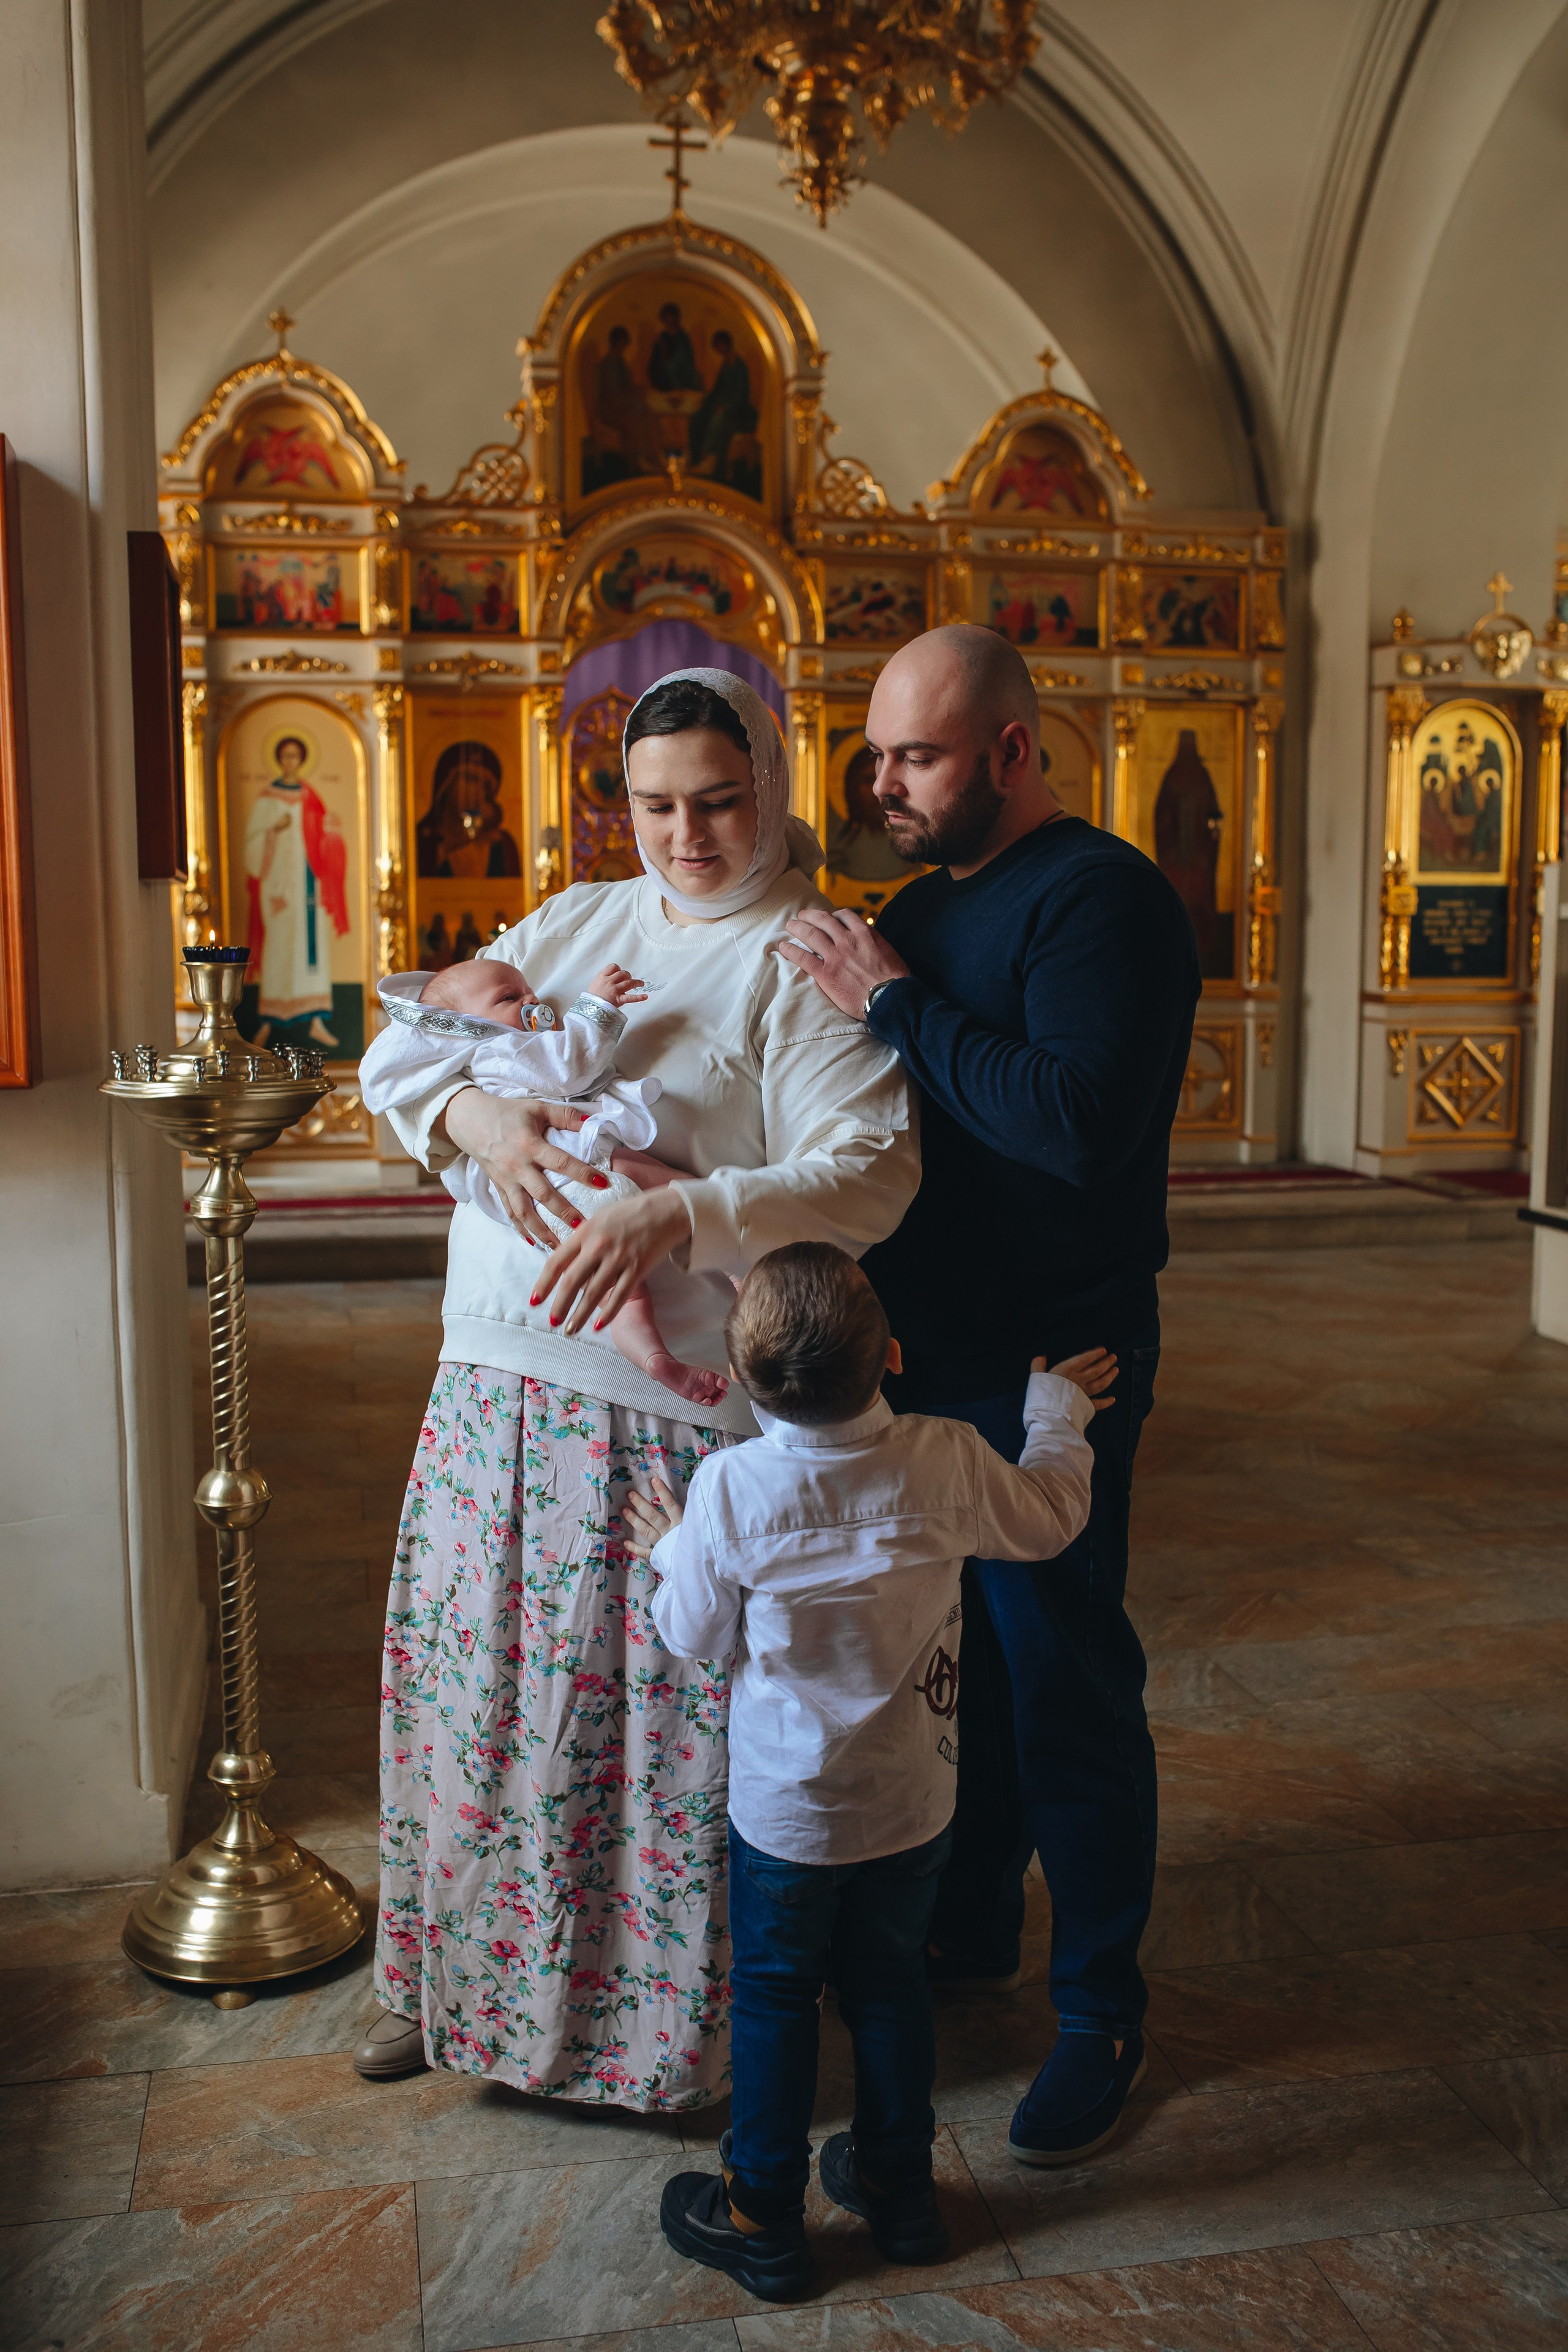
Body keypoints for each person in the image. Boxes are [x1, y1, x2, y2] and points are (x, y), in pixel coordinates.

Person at [352, 667, 918, 2107]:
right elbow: (396, 1052)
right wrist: (477, 1115)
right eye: (656, 803)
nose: (685, 835)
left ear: (775, 778)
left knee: (631, 1723)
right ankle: (449, 1986)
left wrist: (679, 1215)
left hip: (660, 1405)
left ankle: (641, 2040)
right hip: (492, 1375)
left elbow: (871, 1171)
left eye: (718, 801)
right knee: (477, 1694)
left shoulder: (806, 954)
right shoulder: (575, 919)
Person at [777, 623, 1200, 2169]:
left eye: (919, 756)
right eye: (878, 753)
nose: (881, 782)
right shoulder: (911, 903)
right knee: (955, 1660)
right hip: (925, 1347)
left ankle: (1098, 2008)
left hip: (1054, 1365)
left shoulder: (1104, 903)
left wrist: (891, 1003)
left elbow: (1074, 1127)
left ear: (1011, 751)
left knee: (1063, 1665)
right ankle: (969, 1925)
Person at [619, 1242, 1110, 2301]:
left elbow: (696, 1631)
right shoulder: (946, 1454)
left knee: (778, 2002)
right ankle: (901, 2192)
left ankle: (762, 2216)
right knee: (891, 1991)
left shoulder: (732, 1487)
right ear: (891, 1355)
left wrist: (671, 1549)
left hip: (787, 1820)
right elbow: (1050, 1517)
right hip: (912, 1804)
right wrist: (1056, 1413)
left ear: (748, 1383)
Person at [358, 956, 730, 1411]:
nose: (532, 999)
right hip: (566, 1167)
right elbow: (567, 1067)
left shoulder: (481, 1056)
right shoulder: (499, 1049)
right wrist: (598, 1006)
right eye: (509, 997)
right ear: (464, 1025)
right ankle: (734, 1253)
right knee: (674, 1185)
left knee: (626, 1293)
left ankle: (653, 1357)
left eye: (527, 989)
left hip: (545, 1196)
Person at [243, 734, 349, 1050]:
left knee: (311, 953)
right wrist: (274, 829)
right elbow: (251, 845)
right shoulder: (267, 798)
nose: (290, 762)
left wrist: (331, 831)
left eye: (295, 756)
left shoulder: (310, 797)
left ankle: (316, 1022)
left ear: (302, 760)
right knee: (279, 948)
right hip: (279, 887)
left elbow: (322, 840)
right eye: (285, 756)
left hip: (308, 884)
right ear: (279, 759)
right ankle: (266, 1023)